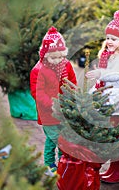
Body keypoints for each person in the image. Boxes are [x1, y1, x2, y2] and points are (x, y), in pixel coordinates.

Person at [85, 10, 119, 183]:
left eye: (114, 39)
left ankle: (111, 170)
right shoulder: (110, 56)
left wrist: (99, 73)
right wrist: (92, 91)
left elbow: (114, 75)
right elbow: (105, 82)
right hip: (110, 100)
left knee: (113, 136)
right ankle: (116, 170)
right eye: (107, 38)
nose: (109, 42)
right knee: (114, 136)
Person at [30, 26, 77, 176]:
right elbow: (37, 92)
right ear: (44, 55)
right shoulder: (38, 70)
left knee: (54, 139)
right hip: (48, 114)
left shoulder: (66, 65)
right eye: (53, 57)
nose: (57, 60)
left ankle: (59, 162)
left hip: (63, 110)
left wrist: (72, 96)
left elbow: (72, 81)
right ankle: (50, 164)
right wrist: (52, 105)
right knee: (56, 138)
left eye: (60, 57)